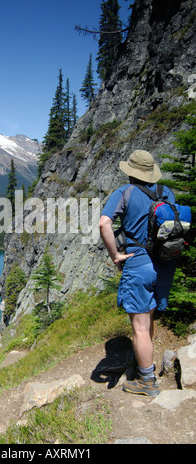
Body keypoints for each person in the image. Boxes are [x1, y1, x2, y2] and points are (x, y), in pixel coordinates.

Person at [99, 149, 176, 396]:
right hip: (163, 265)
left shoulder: (125, 192)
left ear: (130, 172)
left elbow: (104, 223)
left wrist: (115, 255)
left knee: (140, 327)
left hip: (138, 265)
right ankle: (144, 362)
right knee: (148, 318)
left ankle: (146, 380)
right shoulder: (167, 193)